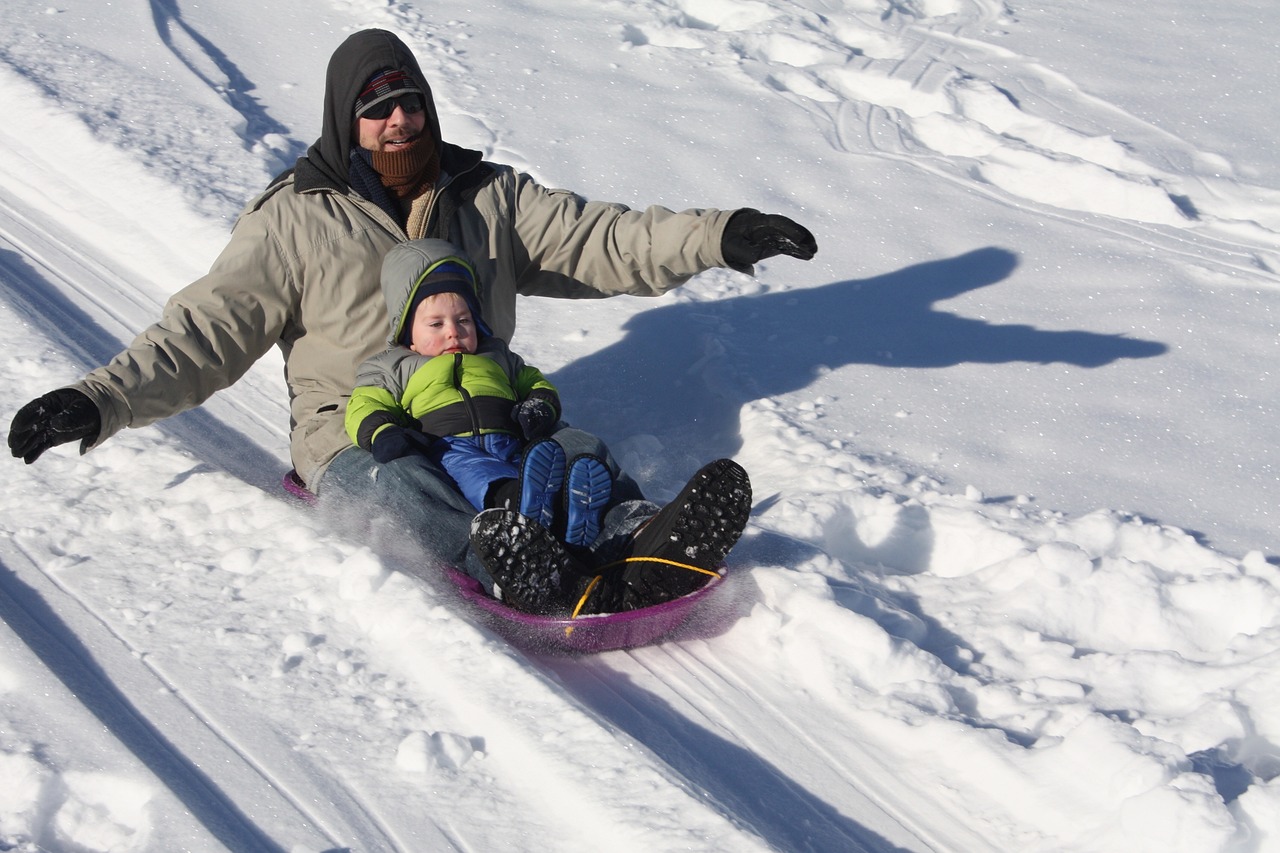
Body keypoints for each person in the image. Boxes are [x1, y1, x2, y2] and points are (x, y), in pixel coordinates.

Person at [7, 28, 812, 597]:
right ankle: (513, 562)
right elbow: (208, 327)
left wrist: (716, 235)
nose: (398, 120)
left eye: (410, 103)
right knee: (401, 486)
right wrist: (101, 397)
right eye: (376, 107)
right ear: (344, 121)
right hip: (363, 425)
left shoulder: (486, 195)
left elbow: (599, 237)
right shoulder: (296, 218)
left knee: (567, 446)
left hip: (483, 406)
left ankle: (638, 536)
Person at [347, 237, 615, 553]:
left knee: (543, 469)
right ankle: (517, 512)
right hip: (450, 449)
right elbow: (364, 404)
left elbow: (534, 383)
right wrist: (384, 431)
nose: (453, 331)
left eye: (463, 320)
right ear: (408, 332)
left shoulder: (497, 356)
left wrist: (538, 405)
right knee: (481, 476)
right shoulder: (392, 367)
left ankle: (574, 515)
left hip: (511, 443)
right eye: (436, 324)